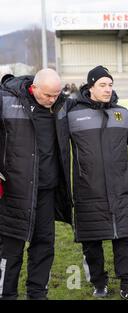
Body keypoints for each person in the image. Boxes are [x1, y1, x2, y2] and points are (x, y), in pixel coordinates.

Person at [57, 65, 128, 300]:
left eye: (110, 84)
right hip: (88, 190)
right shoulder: (73, 115)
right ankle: (99, 283)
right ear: (90, 88)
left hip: (120, 189)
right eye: (102, 85)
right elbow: (55, 144)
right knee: (91, 241)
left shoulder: (122, 114)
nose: (108, 89)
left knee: (125, 238)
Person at [0, 69, 72, 300]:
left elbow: (92, 103)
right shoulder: (6, 100)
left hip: (47, 191)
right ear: (34, 88)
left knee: (44, 245)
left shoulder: (61, 105)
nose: (53, 100)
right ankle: (6, 293)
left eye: (57, 95)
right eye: (48, 95)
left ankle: (37, 293)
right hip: (15, 189)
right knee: (11, 247)